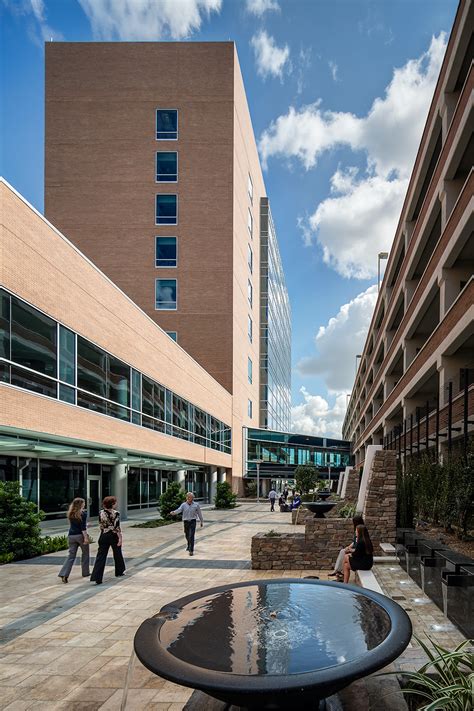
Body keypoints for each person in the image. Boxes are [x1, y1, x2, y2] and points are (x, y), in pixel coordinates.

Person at [90, 496, 125, 585]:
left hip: (103, 535)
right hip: (113, 535)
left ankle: (97, 577)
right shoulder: (116, 513)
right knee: (117, 553)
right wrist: (120, 538)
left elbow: (101, 524)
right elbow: (117, 527)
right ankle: (119, 571)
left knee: (101, 556)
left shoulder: (100, 513)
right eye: (115, 502)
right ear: (112, 504)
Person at [58, 497, 90, 583]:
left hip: (71, 536)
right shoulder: (83, 513)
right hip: (80, 536)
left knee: (71, 556)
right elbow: (82, 528)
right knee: (85, 554)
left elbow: (75, 525)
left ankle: (64, 574)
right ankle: (85, 572)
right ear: (81, 504)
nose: (84, 504)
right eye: (83, 503)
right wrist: (86, 538)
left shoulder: (70, 513)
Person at [328, 514, 365, 581]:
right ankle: (337, 570)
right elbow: (354, 541)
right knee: (343, 551)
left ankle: (340, 572)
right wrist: (348, 547)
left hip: (357, 551)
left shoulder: (361, 530)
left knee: (345, 554)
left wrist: (351, 549)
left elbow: (360, 546)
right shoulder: (356, 529)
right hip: (354, 548)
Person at [171, 492, 203, 556]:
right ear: (187, 497)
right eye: (190, 497)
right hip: (186, 522)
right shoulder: (183, 505)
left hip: (193, 521)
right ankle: (189, 544)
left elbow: (199, 513)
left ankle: (191, 550)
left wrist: (201, 521)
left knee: (191, 535)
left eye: (192, 497)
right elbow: (179, 510)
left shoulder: (196, 505)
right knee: (187, 535)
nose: (192, 498)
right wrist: (174, 512)